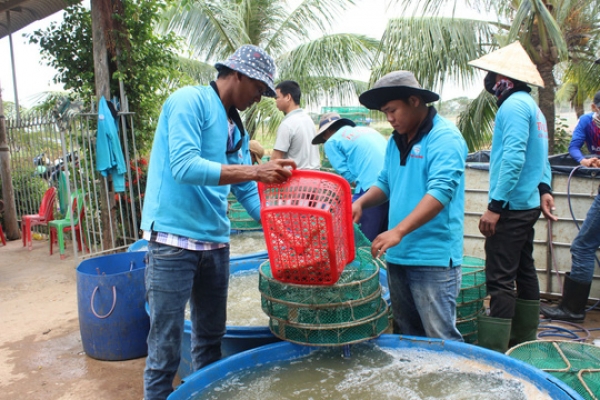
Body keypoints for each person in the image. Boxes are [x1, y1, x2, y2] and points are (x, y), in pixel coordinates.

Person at [140, 44, 296, 400]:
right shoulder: (188, 102)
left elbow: (246, 191)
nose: (260, 97)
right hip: (173, 242)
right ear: (238, 74)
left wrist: (279, 228)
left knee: (211, 342)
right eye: (259, 88)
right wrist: (257, 169)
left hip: (215, 244)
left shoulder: (235, 127)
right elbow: (184, 166)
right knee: (165, 348)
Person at [353, 70, 467, 341]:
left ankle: (448, 383)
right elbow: (385, 183)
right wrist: (361, 203)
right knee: (407, 334)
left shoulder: (445, 138)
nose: (389, 119)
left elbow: (440, 193)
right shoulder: (395, 141)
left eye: (393, 110)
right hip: (398, 255)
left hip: (433, 258)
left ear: (415, 101)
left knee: (440, 336)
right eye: (385, 113)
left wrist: (398, 231)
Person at [468, 41, 557, 352]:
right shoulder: (533, 108)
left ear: (503, 79)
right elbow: (541, 156)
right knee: (524, 268)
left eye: (493, 76)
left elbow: (515, 157)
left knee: (501, 277)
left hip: (512, 205)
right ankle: (524, 339)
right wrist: (544, 189)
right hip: (527, 202)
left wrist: (495, 206)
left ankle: (497, 349)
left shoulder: (513, 106)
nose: (490, 82)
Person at [540, 91, 600, 322]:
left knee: (583, 246)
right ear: (595, 107)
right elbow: (575, 147)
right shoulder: (587, 122)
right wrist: (585, 160)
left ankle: (573, 309)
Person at [312, 112, 389, 241]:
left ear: (327, 131)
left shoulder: (331, 142)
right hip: (393, 184)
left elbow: (346, 174)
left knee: (362, 238)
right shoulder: (367, 130)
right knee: (383, 238)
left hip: (370, 187)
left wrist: (357, 190)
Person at [270, 80, 320, 169]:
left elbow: (275, 160)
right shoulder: (309, 120)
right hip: (314, 177)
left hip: (296, 179)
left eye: (277, 97)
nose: (276, 101)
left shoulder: (287, 124)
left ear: (288, 97)